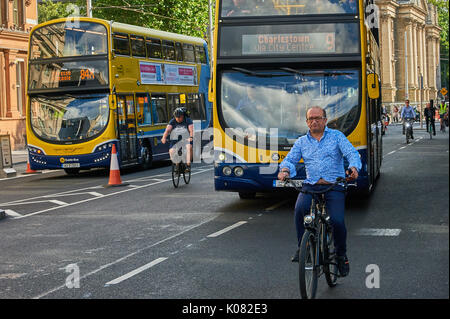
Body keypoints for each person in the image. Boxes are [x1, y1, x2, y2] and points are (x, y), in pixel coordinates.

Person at [277, 106, 361, 277]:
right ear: (307, 122)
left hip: (334, 185)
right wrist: (285, 170)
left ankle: (340, 255)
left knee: (337, 221)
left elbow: (352, 153)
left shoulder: (337, 136)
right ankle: (304, 247)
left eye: (318, 118)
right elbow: (290, 159)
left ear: (325, 120)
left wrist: (353, 167)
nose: (314, 121)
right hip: (311, 185)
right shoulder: (302, 141)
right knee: (300, 208)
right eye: (310, 119)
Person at [161, 107, 194, 172]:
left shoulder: (188, 120)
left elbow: (191, 130)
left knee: (189, 147)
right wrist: (164, 137)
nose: (178, 119)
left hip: (185, 139)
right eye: (177, 117)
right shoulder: (172, 121)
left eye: (180, 117)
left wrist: (191, 137)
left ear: (183, 116)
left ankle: (188, 165)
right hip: (175, 140)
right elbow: (167, 130)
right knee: (172, 151)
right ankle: (177, 165)